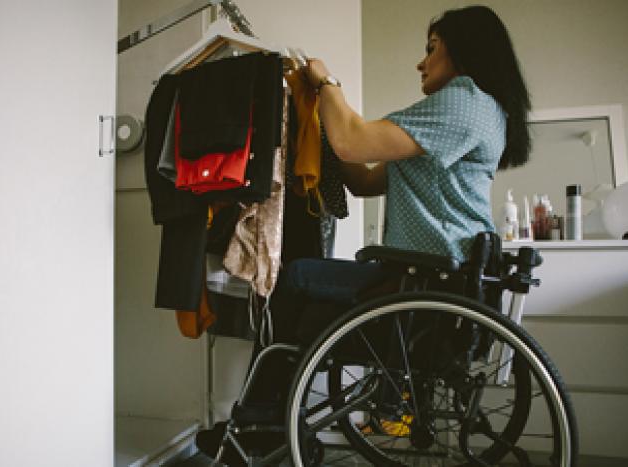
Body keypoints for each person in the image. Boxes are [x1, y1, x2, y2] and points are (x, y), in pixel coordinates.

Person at [197, 5, 531, 462]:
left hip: (424, 280)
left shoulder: (465, 99)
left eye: (432, 49)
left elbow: (353, 141)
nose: (421, 62)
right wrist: (318, 124)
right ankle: (275, 417)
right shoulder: (472, 115)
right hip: (432, 276)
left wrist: (327, 83)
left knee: (294, 276)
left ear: (464, 50)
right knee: (308, 295)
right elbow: (362, 178)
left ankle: (262, 418)